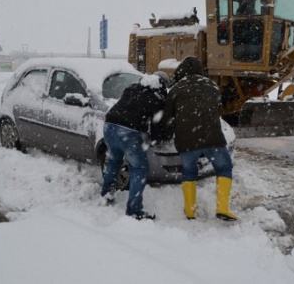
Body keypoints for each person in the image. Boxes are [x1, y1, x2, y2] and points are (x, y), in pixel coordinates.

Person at [162, 56, 237, 221]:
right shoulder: (212, 86)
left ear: (181, 71)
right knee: (224, 168)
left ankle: (190, 210)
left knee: (189, 172)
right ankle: (223, 208)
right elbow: (219, 112)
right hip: (213, 138)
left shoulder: (176, 89)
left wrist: (164, 135)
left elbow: (167, 117)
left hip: (186, 141)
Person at [100, 71, 169, 220]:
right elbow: (157, 126)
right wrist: (156, 140)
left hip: (109, 125)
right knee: (139, 168)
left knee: (114, 161)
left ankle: (106, 195)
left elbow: (128, 107)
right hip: (128, 132)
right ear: (162, 86)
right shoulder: (157, 98)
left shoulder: (131, 88)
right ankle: (134, 210)